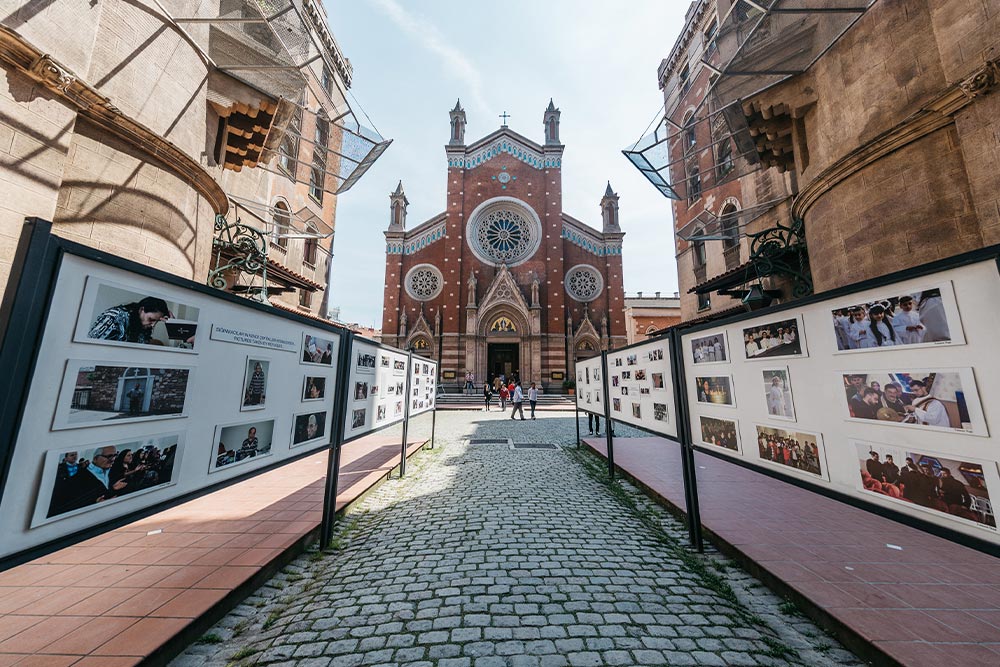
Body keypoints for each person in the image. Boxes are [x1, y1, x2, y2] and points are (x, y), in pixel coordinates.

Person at [50, 446, 126, 516]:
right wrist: (94, 504)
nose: (113, 459)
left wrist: (113, 489)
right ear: (95, 458)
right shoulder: (81, 475)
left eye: (115, 456)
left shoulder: (113, 471)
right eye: (109, 456)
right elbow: (70, 502)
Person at [88, 296, 171, 345]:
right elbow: (92, 345)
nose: (153, 325)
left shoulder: (142, 324)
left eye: (156, 322)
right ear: (141, 310)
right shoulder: (113, 318)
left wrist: (173, 324)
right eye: (151, 319)